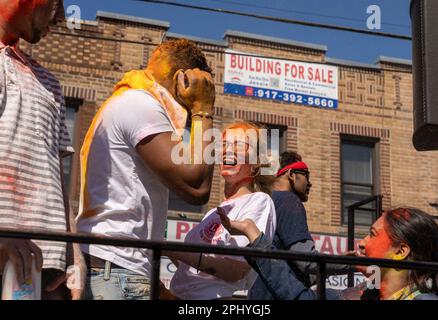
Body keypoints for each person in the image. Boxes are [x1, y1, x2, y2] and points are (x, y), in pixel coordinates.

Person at [76, 38, 216, 300]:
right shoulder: (141, 104)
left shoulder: (129, 100)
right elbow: (196, 187)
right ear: (182, 80)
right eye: (200, 85)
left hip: (114, 268)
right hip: (117, 269)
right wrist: (203, 110)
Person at [0, 0, 86, 299]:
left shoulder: (51, 83)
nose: (62, 15)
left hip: (44, 267)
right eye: (56, 2)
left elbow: (58, 180)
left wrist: (74, 256)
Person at [219, 207, 438, 300]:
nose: (361, 243)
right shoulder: (362, 295)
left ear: (400, 251)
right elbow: (299, 297)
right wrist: (254, 235)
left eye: (372, 234)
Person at [168, 122, 277, 300]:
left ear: (257, 163)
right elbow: (191, 266)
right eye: (224, 145)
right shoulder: (212, 213)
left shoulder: (259, 201)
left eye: (240, 145)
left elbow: (236, 270)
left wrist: (170, 250)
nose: (227, 150)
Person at [249, 151, 352, 299]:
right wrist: (354, 264)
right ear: (291, 175)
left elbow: (295, 269)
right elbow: (307, 262)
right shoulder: (288, 200)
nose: (310, 183)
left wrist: (335, 262)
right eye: (306, 175)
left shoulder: (265, 201)